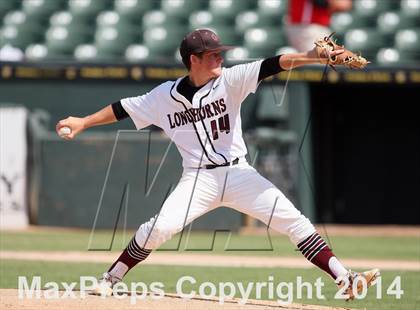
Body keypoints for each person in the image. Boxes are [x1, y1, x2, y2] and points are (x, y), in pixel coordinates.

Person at [56, 29, 378, 300]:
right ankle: (110, 279)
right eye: (212, 54)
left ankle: (345, 279)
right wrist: (83, 121)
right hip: (198, 180)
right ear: (193, 60)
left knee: (294, 222)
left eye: (220, 52)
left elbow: (274, 64)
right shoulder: (163, 97)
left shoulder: (230, 79)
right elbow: (122, 108)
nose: (220, 58)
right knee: (159, 228)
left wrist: (312, 55)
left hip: (239, 174)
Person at [286, 0, 352, 52]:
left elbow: (345, 4)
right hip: (307, 27)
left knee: (319, 63)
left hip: (313, 28)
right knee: (317, 64)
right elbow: (320, 2)